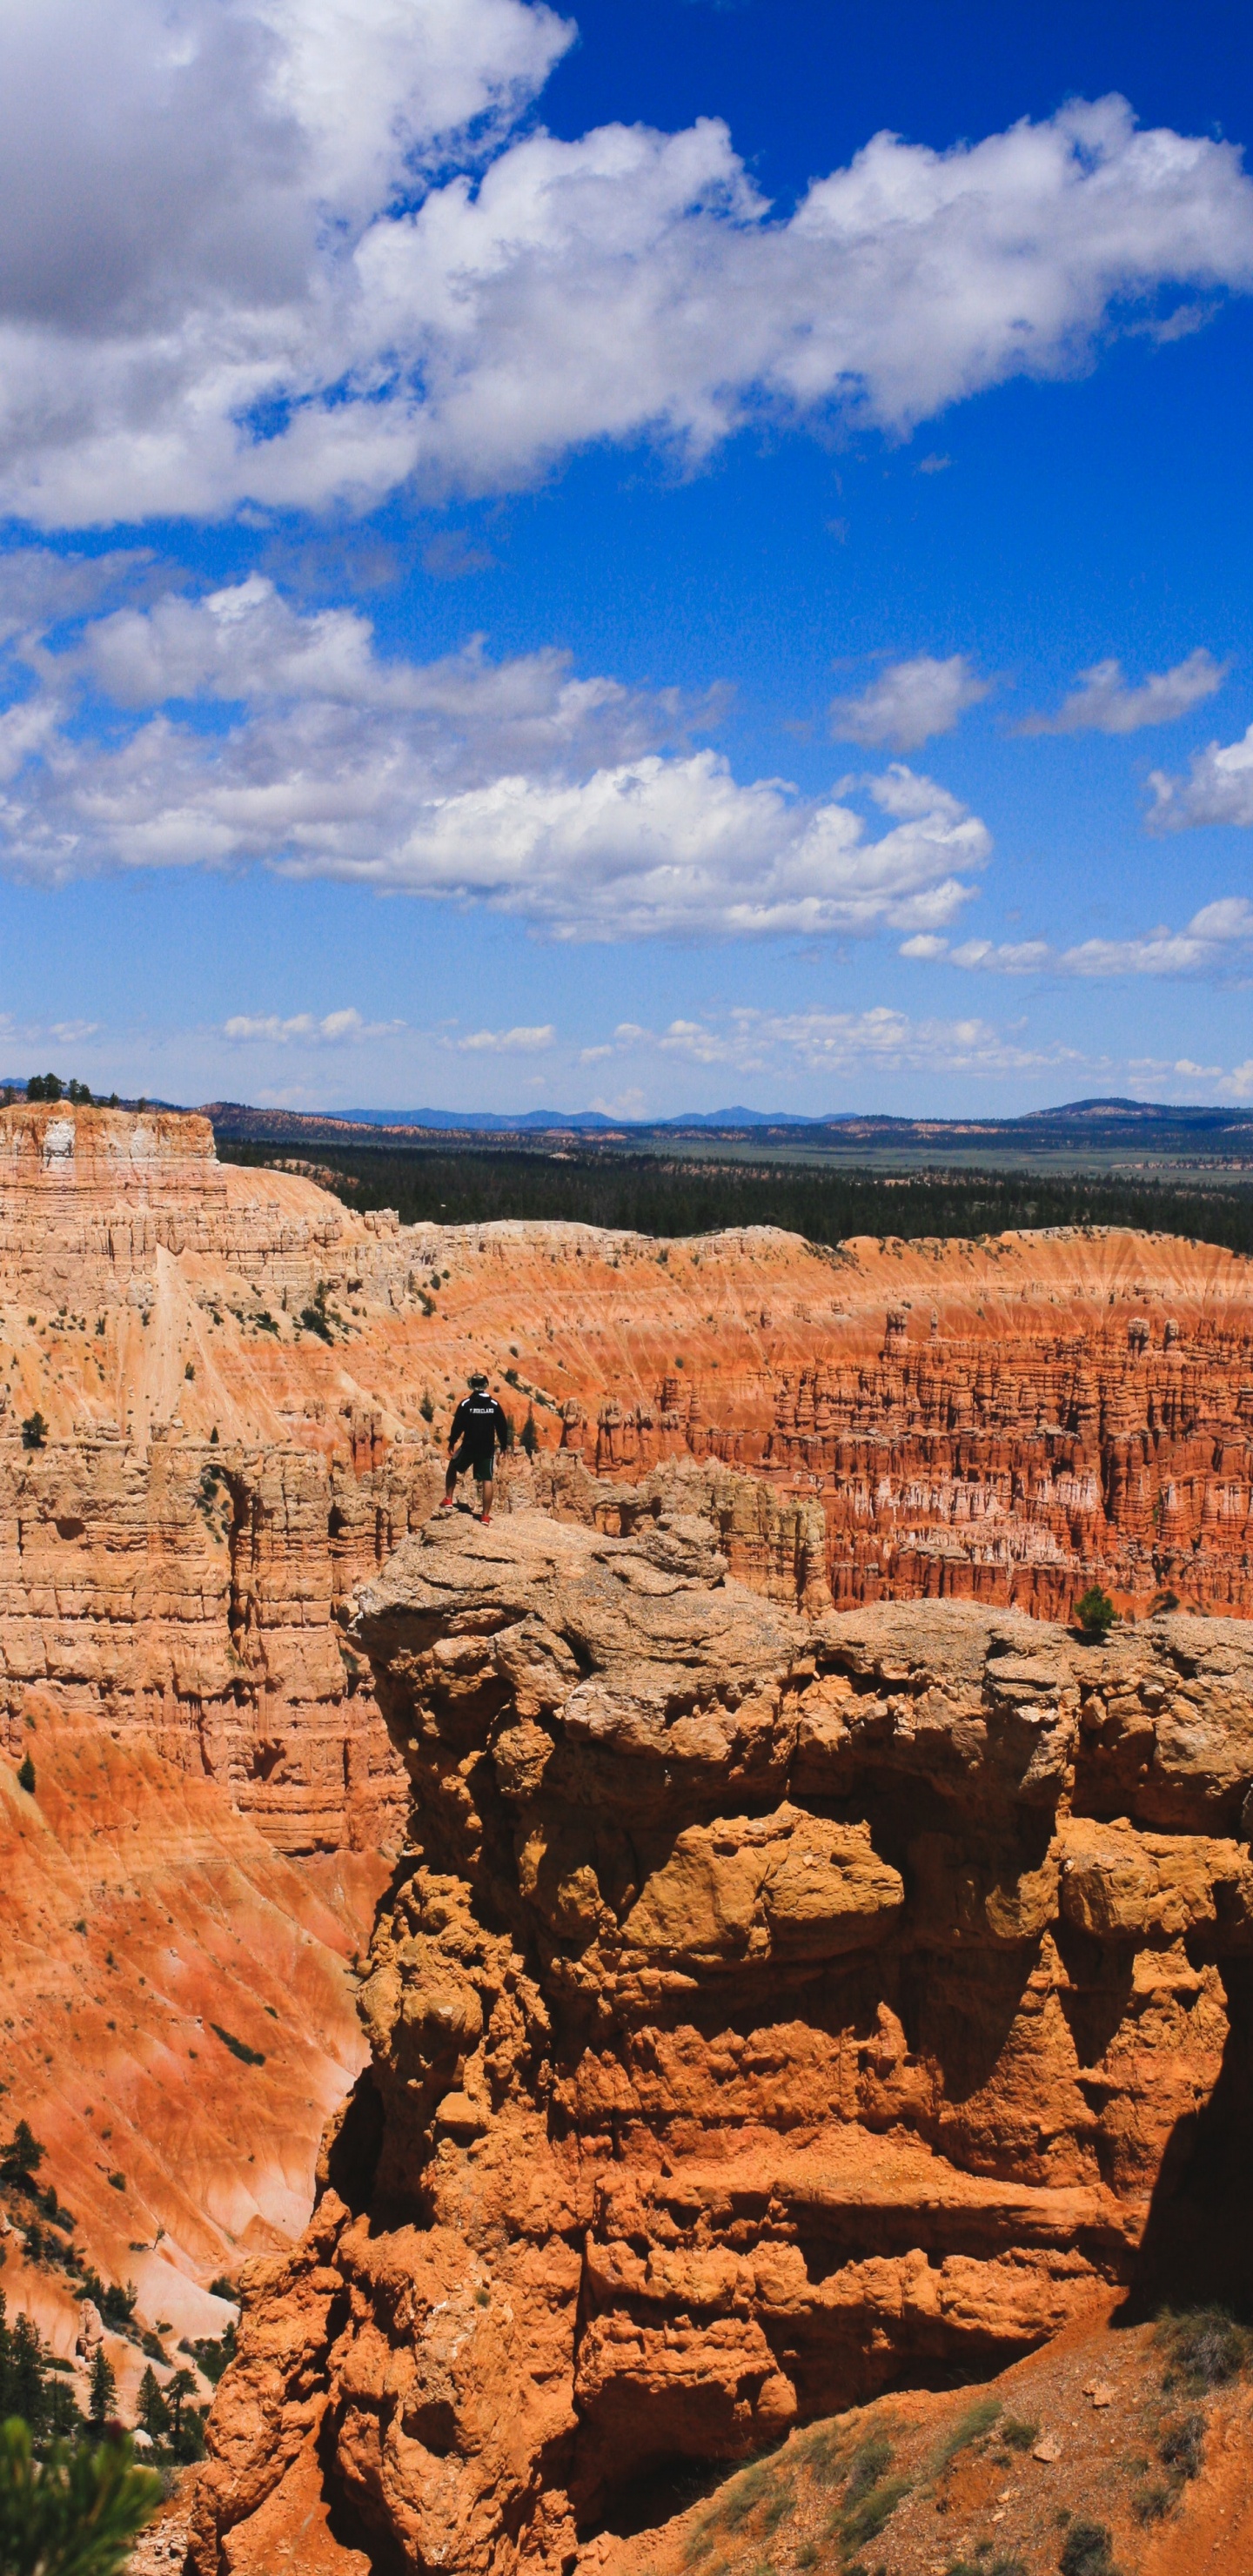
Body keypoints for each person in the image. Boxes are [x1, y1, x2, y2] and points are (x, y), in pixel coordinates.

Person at [440, 1372, 510, 1525]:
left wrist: (452, 1441)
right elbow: (502, 1427)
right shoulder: (494, 1405)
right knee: (487, 1479)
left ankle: (449, 1500)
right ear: (485, 1386)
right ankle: (485, 1516)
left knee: (453, 1465)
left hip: (469, 1447)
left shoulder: (466, 1405)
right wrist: (504, 1445)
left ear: (471, 1386)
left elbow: (458, 1425)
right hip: (487, 1448)